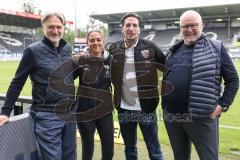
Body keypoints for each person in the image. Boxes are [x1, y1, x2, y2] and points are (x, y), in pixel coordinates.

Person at [161, 10, 239, 160]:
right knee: (180, 156)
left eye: (193, 25)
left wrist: (221, 106)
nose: (189, 30)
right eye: (185, 26)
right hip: (172, 117)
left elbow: (233, 80)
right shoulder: (172, 51)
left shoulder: (216, 47)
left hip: (201, 118)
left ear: (202, 25)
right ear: (180, 29)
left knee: (208, 157)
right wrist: (165, 107)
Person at [0, 12, 76, 160]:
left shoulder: (67, 49)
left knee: (70, 156)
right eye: (51, 27)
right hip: (47, 116)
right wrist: (5, 111)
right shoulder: (32, 51)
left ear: (64, 28)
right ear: (43, 28)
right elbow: (17, 82)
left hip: (69, 114)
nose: (55, 31)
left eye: (58, 27)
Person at [108, 13, 165, 160]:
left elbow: (168, 68)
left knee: (154, 149)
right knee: (130, 149)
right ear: (122, 29)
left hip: (146, 109)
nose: (131, 28)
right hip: (124, 110)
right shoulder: (114, 49)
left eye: (135, 25)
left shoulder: (151, 47)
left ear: (139, 29)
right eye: (128, 25)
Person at [73, 30, 114, 160]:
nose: (95, 42)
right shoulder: (80, 60)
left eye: (98, 39)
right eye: (92, 40)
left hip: (105, 112)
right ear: (87, 43)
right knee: (88, 149)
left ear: (103, 41)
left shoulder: (111, 60)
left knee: (109, 151)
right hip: (84, 111)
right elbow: (65, 79)